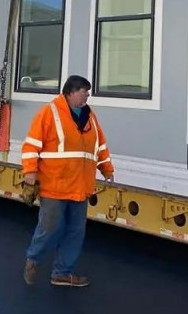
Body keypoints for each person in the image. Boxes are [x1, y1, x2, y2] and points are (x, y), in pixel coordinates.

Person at [21, 75, 114, 287]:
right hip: (55, 184)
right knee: (50, 227)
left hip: (80, 186)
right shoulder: (49, 112)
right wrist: (30, 171)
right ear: (71, 92)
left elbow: (100, 146)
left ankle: (62, 273)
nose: (87, 96)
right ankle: (33, 260)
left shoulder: (90, 117)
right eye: (84, 91)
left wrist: (107, 169)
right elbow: (31, 145)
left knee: (75, 232)